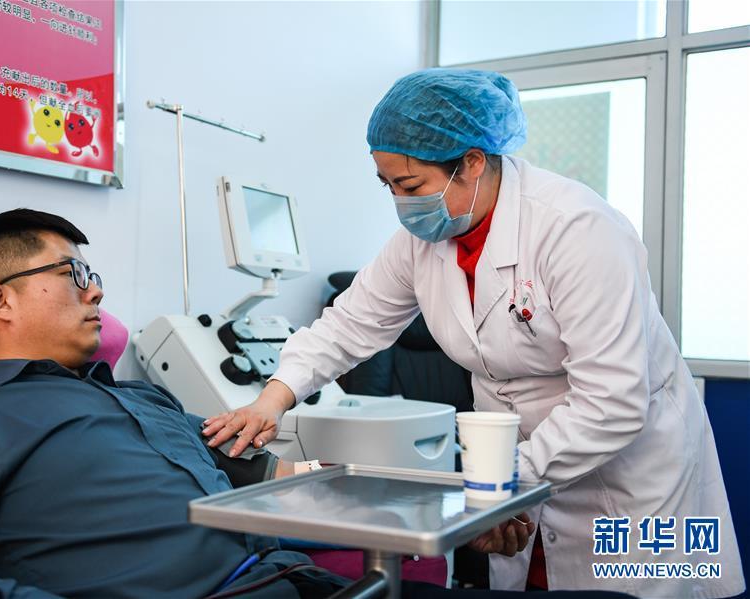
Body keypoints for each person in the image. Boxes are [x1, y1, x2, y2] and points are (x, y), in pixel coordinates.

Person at [0, 209, 631, 599]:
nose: (95, 291)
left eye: (94, 274)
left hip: (303, 582)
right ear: (0, 298)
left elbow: (277, 477)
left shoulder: (141, 401)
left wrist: (451, 508)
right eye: (72, 272)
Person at [202, 69, 745, 598]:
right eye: (388, 185)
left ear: (473, 163)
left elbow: (613, 401)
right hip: (515, 465)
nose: (400, 203)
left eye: (410, 185)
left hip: (622, 472)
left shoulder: (577, 229)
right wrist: (274, 398)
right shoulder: (422, 241)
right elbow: (349, 324)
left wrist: (498, 483)